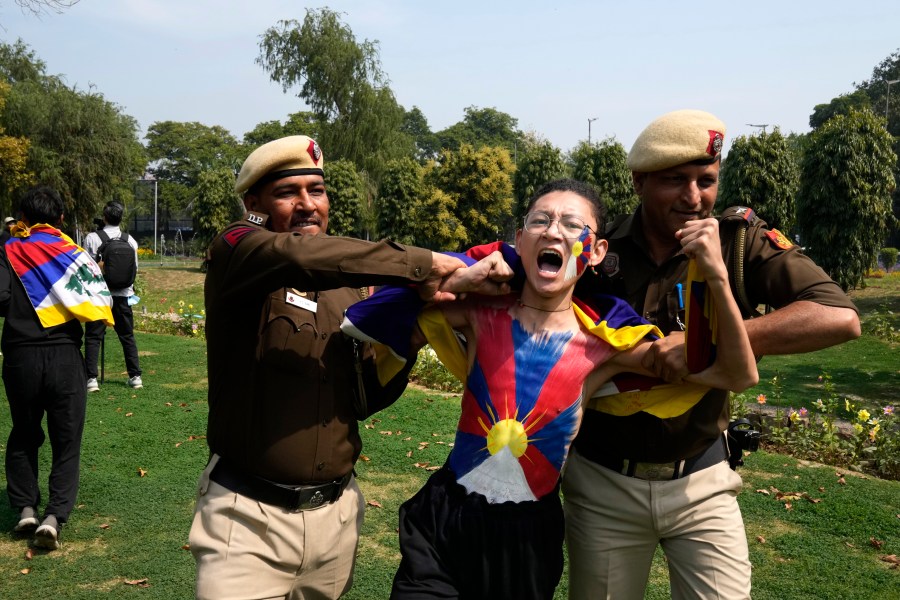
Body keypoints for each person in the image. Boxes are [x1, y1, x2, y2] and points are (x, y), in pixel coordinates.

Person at [342, 178, 759, 599]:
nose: (554, 230)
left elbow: (736, 375)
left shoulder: (604, 344)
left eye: (572, 224)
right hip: (445, 518)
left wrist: (717, 276)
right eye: (541, 220)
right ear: (520, 242)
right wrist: (459, 279)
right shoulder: (477, 311)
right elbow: (362, 318)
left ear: (595, 252)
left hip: (526, 538)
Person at [188, 135, 507, 600]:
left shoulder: (350, 293)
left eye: (316, 191)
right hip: (246, 521)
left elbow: (362, 398)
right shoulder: (238, 250)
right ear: (253, 203)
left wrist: (409, 337)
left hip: (334, 520)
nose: (306, 205)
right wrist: (429, 263)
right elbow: (295, 256)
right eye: (287, 192)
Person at [563, 110, 861, 599]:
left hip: (702, 481)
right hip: (603, 485)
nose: (694, 196)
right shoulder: (598, 252)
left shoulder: (737, 242)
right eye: (675, 180)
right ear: (638, 181)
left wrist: (712, 345)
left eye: (707, 180)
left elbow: (839, 316)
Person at [1, 185, 113, 550]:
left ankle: (25, 509)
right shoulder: (74, 253)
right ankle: (54, 516)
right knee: (67, 441)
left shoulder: (8, 250)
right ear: (61, 218)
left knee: (24, 433)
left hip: (20, 356)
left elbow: (1, 298)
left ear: (23, 218)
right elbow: (95, 298)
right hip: (65, 355)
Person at [82, 201, 142, 392]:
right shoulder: (130, 240)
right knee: (127, 336)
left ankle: (91, 379)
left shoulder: (92, 238)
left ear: (104, 217)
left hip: (100, 296)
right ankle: (135, 376)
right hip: (123, 295)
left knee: (93, 337)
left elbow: (86, 269)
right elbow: (135, 269)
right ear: (120, 218)